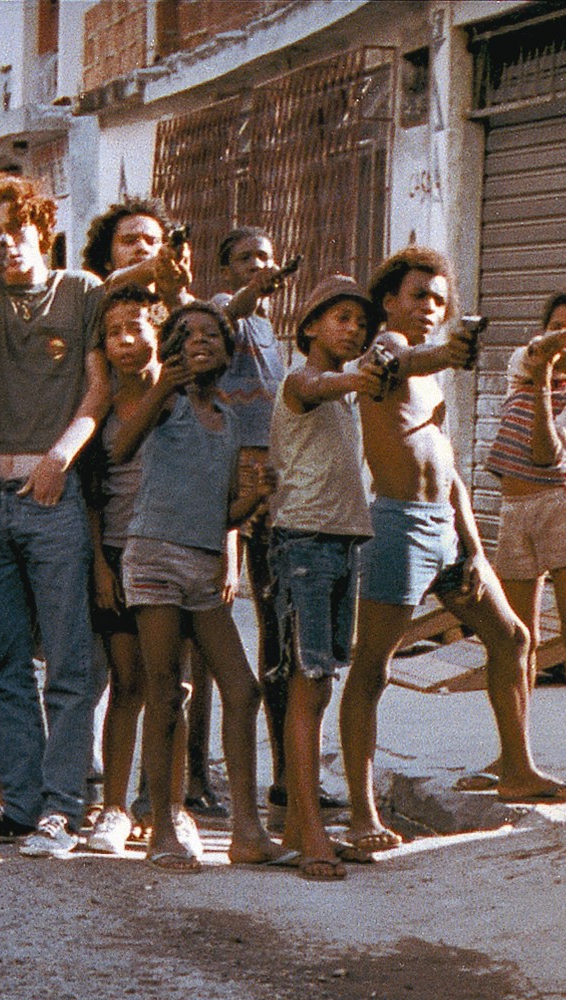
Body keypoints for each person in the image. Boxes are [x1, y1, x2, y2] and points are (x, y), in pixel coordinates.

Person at [338, 248, 566, 860]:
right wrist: (448, 350)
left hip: (446, 529)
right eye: (419, 295)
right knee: (373, 668)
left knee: (514, 638)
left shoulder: (430, 373)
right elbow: (401, 360)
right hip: (397, 528)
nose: (431, 307)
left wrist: (471, 544)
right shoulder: (382, 355)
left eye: (440, 300)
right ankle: (363, 812)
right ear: (389, 300)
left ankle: (518, 768)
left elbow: (447, 468)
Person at [0, 174, 109, 856]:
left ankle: (62, 805)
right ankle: (19, 800)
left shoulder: (81, 291)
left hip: (50, 493)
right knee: (3, 661)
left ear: (43, 225)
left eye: (16, 225)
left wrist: (59, 457)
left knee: (69, 659)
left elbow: (99, 385)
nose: (5, 241)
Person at [107, 303, 287, 873]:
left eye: (212, 335)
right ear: (171, 350)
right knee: (165, 691)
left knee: (242, 689)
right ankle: (163, 823)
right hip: (154, 556)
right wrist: (163, 387)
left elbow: (222, 509)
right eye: (187, 336)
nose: (201, 342)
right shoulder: (165, 405)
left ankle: (246, 831)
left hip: (205, 564)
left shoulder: (231, 421)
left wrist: (257, 496)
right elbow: (119, 448)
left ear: (229, 352)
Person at [269, 275, 384, 881]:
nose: (354, 329)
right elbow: (314, 383)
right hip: (306, 544)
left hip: (342, 543)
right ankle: (310, 830)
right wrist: (355, 377)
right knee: (308, 685)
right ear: (310, 326)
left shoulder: (344, 394)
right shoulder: (303, 380)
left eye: (360, 323)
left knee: (321, 680)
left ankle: (299, 825)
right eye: (341, 318)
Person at [486, 289, 566, 793]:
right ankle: (513, 757)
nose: (563, 341)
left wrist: (543, 381)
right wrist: (543, 359)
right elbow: (530, 354)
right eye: (555, 327)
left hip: (561, 507)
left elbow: (546, 454)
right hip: (513, 511)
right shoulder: (523, 365)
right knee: (519, 639)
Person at [212, 226, 306, 810]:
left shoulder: (272, 333)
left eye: (265, 259)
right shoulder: (225, 309)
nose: (256, 267)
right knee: (211, 618)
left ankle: (286, 774)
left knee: (279, 630)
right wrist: (253, 289)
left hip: (269, 485)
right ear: (226, 270)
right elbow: (233, 311)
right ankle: (189, 779)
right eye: (244, 259)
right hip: (226, 481)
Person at [78, 286, 168, 855]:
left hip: (174, 555)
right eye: (113, 334)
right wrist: (99, 567)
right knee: (127, 681)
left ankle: (160, 806)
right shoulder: (101, 405)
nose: (126, 343)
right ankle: (112, 807)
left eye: (136, 328)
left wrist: (228, 552)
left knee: (171, 687)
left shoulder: (181, 397)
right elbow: (90, 493)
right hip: (116, 551)